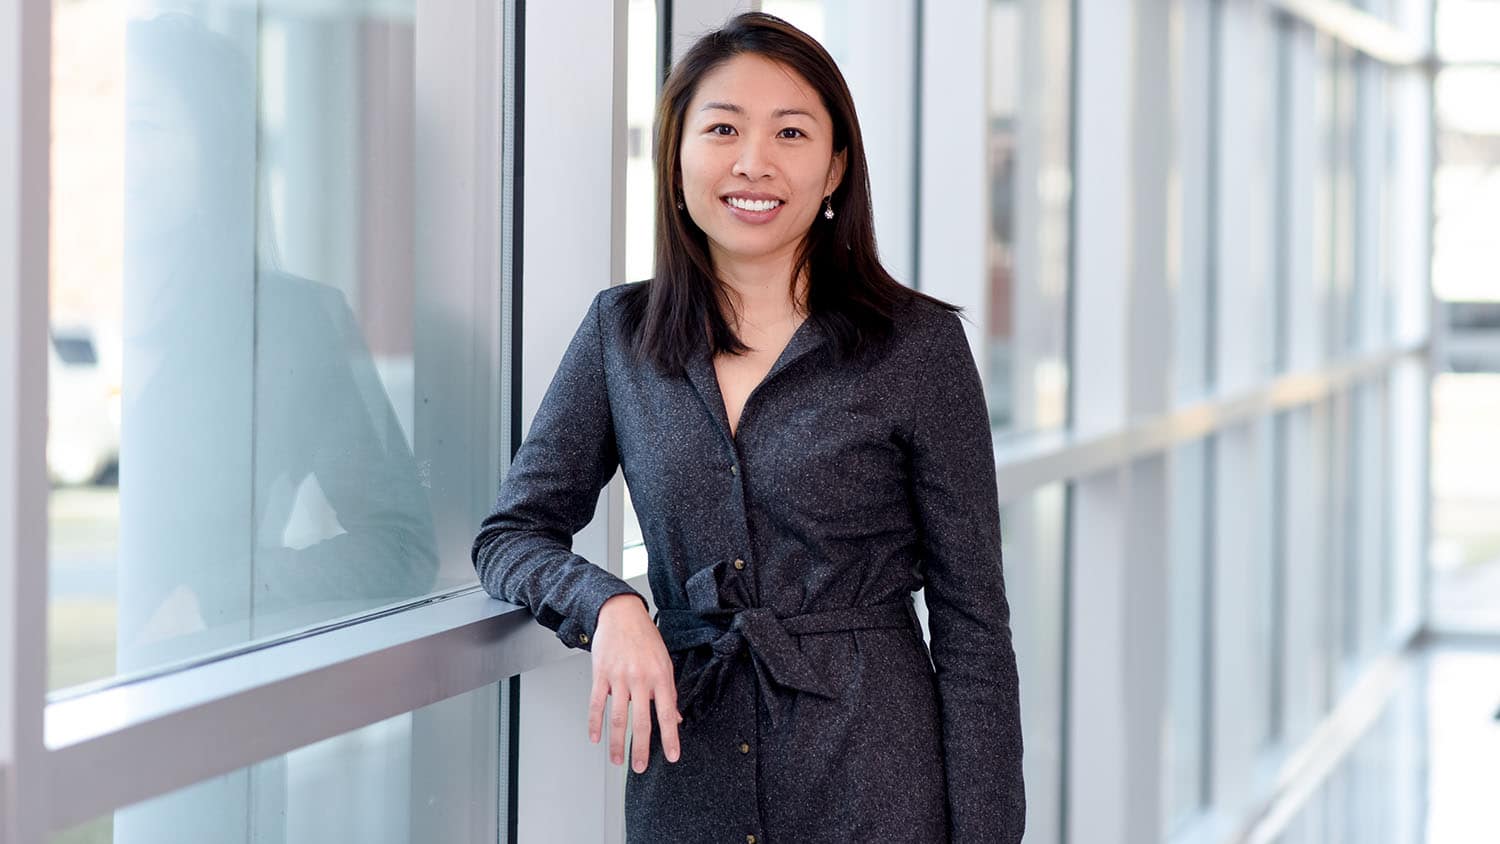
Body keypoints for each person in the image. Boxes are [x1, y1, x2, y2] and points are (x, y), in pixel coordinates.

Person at [471, 12, 1024, 842]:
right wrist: (610, 606)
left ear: (836, 167)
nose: (753, 162)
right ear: (679, 157)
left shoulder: (917, 346)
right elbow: (512, 535)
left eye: (791, 132)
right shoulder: (621, 335)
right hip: (690, 779)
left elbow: (974, 619)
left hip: (875, 778)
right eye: (722, 128)